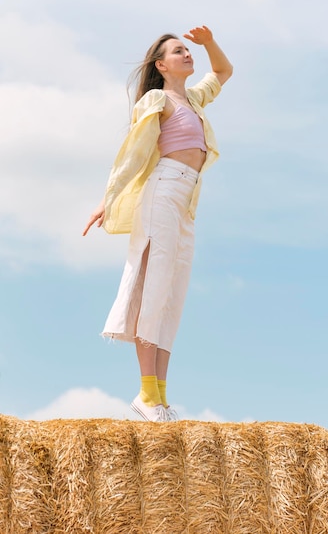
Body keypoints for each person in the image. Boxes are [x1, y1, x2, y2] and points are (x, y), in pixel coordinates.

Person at [83, 25, 233, 422]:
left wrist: (209, 43)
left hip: (186, 202)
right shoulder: (156, 99)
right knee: (153, 288)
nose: (187, 54)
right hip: (163, 193)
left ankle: (160, 398)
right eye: (178, 50)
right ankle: (146, 393)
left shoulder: (194, 100)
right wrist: (106, 199)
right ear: (161, 65)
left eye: (188, 49)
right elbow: (133, 153)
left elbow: (223, 72)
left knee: (172, 294)